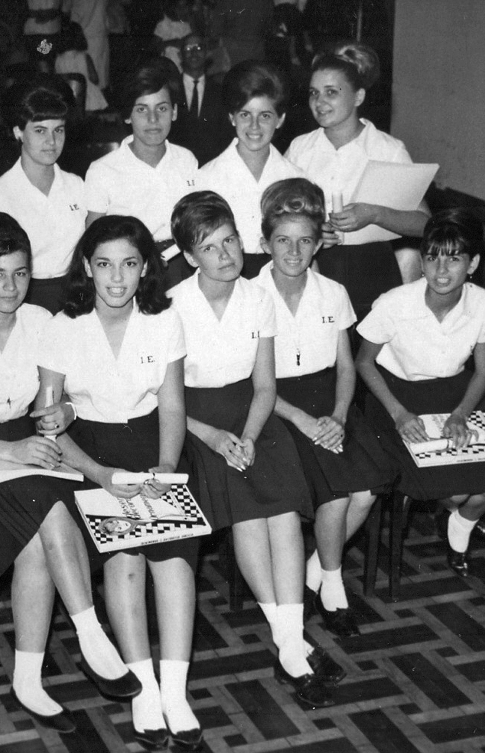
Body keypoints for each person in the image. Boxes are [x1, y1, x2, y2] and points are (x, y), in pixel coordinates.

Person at [0, 212, 138, 734]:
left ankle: (28, 679)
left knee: (39, 540)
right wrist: (13, 452)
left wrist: (64, 415)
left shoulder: (44, 322)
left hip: (27, 445)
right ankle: (89, 632)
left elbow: (61, 405)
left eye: (19, 273)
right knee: (50, 507)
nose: (10, 286)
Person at [167, 191, 339, 710]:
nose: (226, 254)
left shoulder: (256, 298)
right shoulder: (173, 304)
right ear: (189, 256)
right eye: (210, 247)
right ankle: (291, 644)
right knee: (247, 515)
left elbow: (265, 386)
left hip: (252, 414)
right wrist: (216, 438)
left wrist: (245, 433)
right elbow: (164, 400)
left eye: (230, 241)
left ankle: (289, 640)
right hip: (194, 422)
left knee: (284, 512)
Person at [37, 216, 202, 751]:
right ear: (87, 267)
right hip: (89, 453)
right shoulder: (63, 326)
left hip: (155, 447)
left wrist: (165, 467)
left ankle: (175, 692)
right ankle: (143, 688)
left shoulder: (164, 319)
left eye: (129, 264)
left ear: (145, 268)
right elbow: (49, 422)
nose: (116, 277)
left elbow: (173, 405)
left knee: (173, 558)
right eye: (104, 264)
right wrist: (100, 474)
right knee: (125, 560)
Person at [252, 179, 395, 637]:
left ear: (318, 245)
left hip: (327, 401)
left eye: (305, 241)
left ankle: (315, 568)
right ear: (265, 243)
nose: (294, 251)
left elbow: (347, 366)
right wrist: (304, 420)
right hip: (276, 405)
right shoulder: (250, 296)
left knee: (367, 491)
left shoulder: (333, 292)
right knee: (336, 494)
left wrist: (336, 415)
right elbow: (253, 382)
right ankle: (332, 585)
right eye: (283, 241)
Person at [356, 208, 485, 578]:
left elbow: (484, 371)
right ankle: (453, 513)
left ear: (472, 263)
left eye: (454, 259)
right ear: (422, 263)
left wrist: (460, 414)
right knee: (453, 489)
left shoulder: (482, 304)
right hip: (396, 397)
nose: (441, 271)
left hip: (457, 395)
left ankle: (460, 526)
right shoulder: (394, 302)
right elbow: (364, 363)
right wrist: (398, 414)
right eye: (431, 258)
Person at [285, 41, 429, 315]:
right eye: (314, 93)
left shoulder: (387, 149)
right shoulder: (300, 148)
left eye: (331, 92)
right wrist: (312, 231)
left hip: (371, 269)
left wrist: (374, 214)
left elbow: (424, 224)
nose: (319, 102)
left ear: (359, 97)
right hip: (313, 265)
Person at [0, 75, 86, 313]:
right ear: (18, 132)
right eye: (40, 130)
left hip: (76, 296)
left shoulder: (78, 186)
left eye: (59, 130)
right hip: (23, 301)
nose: (51, 141)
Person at [84, 61, 199, 286]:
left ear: (174, 112)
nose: (153, 119)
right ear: (127, 116)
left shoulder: (186, 160)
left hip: (182, 266)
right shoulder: (103, 170)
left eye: (162, 108)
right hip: (130, 271)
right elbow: (93, 239)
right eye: (141, 109)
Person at [197, 60, 308, 277]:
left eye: (265, 116)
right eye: (245, 114)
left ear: (280, 119)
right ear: (232, 117)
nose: (254, 126)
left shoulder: (296, 179)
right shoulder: (207, 178)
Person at [169, 33, 232, 167]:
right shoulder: (169, 91)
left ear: (207, 53)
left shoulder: (220, 92)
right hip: (176, 167)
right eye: (188, 49)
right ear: (180, 55)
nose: (193, 53)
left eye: (198, 48)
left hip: (213, 167)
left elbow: (226, 135)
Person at [54, 18, 109, 112]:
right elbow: (94, 78)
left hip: (67, 96)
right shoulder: (84, 57)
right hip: (87, 97)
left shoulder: (58, 59)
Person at [152, 0, 193, 71]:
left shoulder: (188, 25)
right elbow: (154, 47)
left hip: (185, 67)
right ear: (173, 7)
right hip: (168, 66)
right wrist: (171, 43)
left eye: (185, 6)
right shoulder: (165, 23)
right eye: (179, 7)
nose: (182, 10)